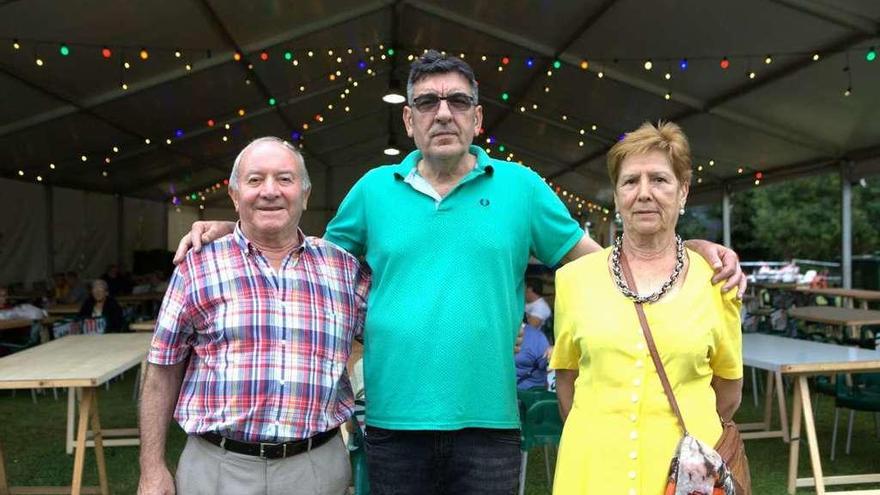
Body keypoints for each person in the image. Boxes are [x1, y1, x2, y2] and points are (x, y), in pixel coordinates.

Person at [174, 51, 745, 494]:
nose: (441, 112)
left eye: (455, 101)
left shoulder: (520, 187)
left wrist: (685, 246)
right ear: (408, 118)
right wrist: (232, 228)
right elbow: (305, 256)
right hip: (394, 423)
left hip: (491, 423)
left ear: (477, 115)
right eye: (426, 102)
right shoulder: (374, 191)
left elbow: (606, 265)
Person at [137, 137, 370, 495]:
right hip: (217, 468)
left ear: (305, 194)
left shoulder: (342, 269)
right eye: (255, 180)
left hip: (316, 469)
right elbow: (162, 371)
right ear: (234, 195)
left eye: (285, 179)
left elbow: (395, 332)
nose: (270, 191)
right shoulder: (197, 267)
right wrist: (152, 468)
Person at [550, 122, 743, 494]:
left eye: (659, 180)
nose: (644, 193)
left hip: (685, 477)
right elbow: (566, 385)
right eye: (630, 182)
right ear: (617, 196)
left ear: (683, 191)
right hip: (590, 471)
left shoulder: (718, 281)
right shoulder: (573, 280)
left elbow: (729, 394)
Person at [515, 323, 551, 390]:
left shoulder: (537, 338)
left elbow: (551, 368)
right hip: (497, 393)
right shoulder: (493, 334)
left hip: (528, 397)